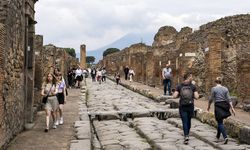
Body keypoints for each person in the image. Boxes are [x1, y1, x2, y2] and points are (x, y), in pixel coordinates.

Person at [207, 77, 236, 144]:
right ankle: (218, 135)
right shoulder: (225, 89)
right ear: (221, 82)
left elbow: (211, 99)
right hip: (225, 106)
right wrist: (232, 108)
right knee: (220, 121)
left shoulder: (214, 89)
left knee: (220, 122)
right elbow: (229, 99)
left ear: (215, 82)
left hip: (218, 106)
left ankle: (225, 137)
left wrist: (208, 106)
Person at [173, 72, 199, 144]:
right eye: (191, 76)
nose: (192, 78)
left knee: (184, 121)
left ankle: (186, 135)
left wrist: (177, 94)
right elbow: (197, 97)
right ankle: (187, 133)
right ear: (188, 77)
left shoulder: (179, 86)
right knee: (189, 121)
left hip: (182, 106)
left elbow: (174, 96)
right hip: (190, 106)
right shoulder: (193, 86)